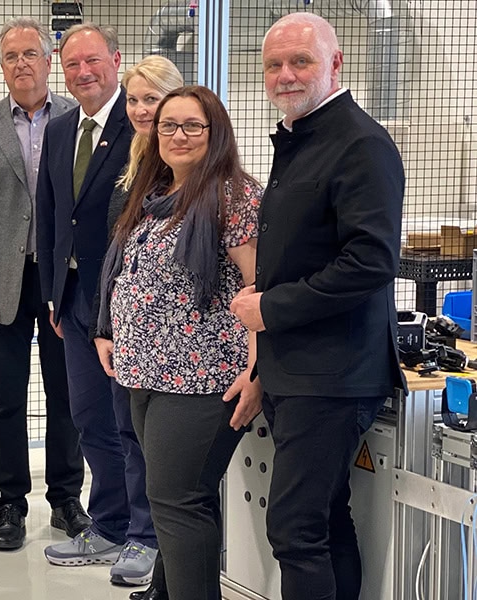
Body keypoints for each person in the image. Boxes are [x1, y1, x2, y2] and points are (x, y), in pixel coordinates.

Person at [229, 13, 405, 600]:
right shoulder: (302, 137)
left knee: (296, 529)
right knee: (324, 521)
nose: (284, 74)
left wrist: (271, 308)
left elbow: (371, 263)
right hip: (298, 368)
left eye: (299, 61)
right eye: (273, 64)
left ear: (335, 64)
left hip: (332, 373)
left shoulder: (360, 144)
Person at [94, 85, 263, 600]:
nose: (178, 135)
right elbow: (130, 272)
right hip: (146, 373)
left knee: (176, 499)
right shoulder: (156, 192)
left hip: (203, 378)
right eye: (168, 125)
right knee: (178, 499)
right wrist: (111, 331)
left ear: (216, 133)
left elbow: (261, 290)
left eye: (193, 125)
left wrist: (257, 373)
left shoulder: (234, 196)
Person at [0, 17, 87, 551]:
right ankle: (10, 503)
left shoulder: (78, 119)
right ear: (0, 65)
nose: (22, 63)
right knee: (4, 395)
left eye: (32, 53)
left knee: (66, 394)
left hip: (62, 278)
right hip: (1, 278)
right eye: (12, 56)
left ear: (48, 61)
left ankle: (66, 498)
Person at [35, 23, 158, 585]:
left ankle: (147, 535)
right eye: (71, 64)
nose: (82, 72)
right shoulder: (61, 130)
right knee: (90, 419)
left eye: (92, 61)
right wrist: (52, 295)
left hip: (126, 305)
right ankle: (107, 524)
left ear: (115, 58)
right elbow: (52, 216)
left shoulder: (142, 126)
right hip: (74, 300)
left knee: (131, 422)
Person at [94, 54, 187, 600]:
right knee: (132, 439)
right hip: (132, 336)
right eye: (132, 99)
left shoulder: (186, 164)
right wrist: (107, 322)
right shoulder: (137, 160)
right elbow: (120, 254)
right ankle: (150, 552)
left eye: (151, 98)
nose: (140, 109)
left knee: (164, 457)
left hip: (177, 347)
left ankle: (153, 545)